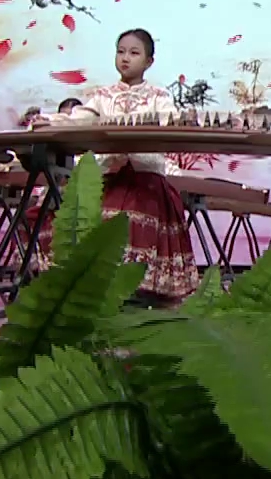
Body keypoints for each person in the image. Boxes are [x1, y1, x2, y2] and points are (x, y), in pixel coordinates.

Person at [35, 28, 198, 304]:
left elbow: (170, 122)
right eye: (120, 52)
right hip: (110, 176)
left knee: (136, 218)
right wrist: (51, 121)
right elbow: (80, 118)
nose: (125, 58)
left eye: (134, 53)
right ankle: (98, 290)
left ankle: (139, 291)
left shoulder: (158, 96)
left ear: (149, 61)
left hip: (145, 178)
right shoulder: (103, 96)